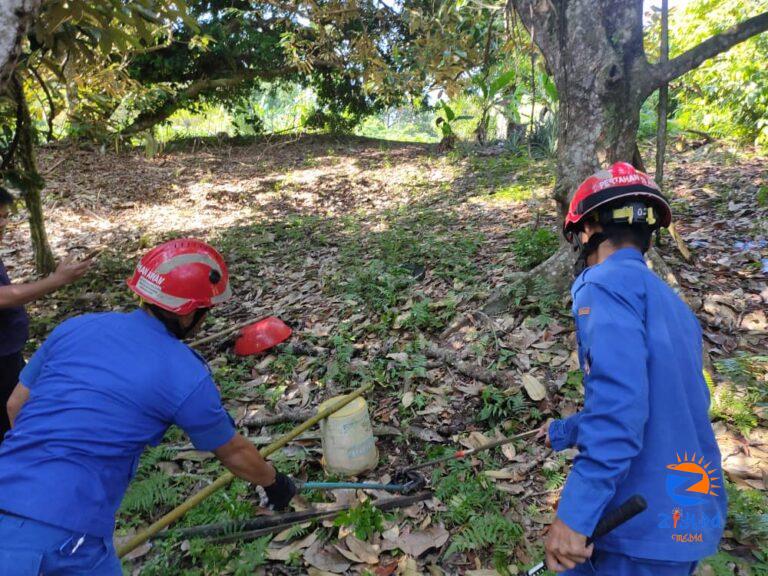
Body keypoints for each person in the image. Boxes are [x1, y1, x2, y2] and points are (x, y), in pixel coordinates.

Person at [0, 238, 297, 575]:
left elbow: (15, 405)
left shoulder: (74, 328)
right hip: (63, 535)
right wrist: (275, 484)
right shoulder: (183, 372)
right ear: (190, 315)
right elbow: (234, 453)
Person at [539, 162, 727, 575]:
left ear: (588, 230)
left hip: (638, 525)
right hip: (686, 516)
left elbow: (622, 411)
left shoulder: (601, 285)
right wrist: (567, 430)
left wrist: (574, 517)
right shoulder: (674, 305)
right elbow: (662, 401)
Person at [0, 186, 91, 445]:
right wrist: (57, 280)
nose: (3, 223)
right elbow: (7, 296)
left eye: (5, 216)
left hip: (8, 353)